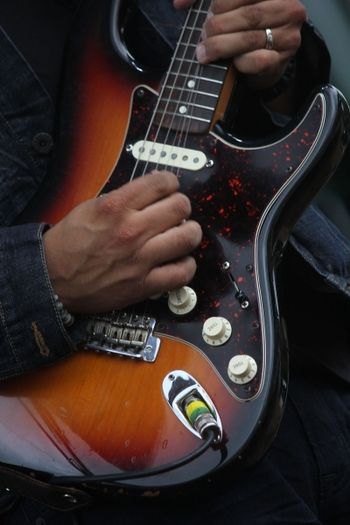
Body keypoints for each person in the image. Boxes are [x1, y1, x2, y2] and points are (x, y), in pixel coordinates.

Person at [0, 0, 349, 523]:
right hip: (106, 447)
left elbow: (268, 74)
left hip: (311, 353)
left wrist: (273, 58)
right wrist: (45, 273)